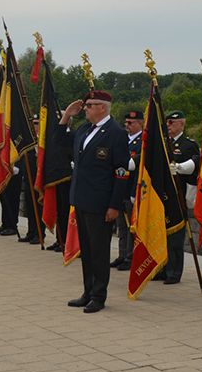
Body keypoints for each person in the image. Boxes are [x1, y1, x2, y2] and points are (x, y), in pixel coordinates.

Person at [56, 90, 130, 313]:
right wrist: (66, 116)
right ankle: (88, 292)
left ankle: (99, 296)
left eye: (89, 105)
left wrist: (114, 205)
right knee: (86, 251)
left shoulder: (115, 133)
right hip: (81, 199)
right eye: (85, 105)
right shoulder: (85, 130)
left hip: (101, 203)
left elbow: (121, 172)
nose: (85, 109)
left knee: (99, 251)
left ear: (102, 107)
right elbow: (60, 143)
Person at [157, 110, 199, 284]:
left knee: (175, 237)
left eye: (172, 123)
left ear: (182, 124)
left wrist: (181, 168)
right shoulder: (162, 143)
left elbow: (195, 169)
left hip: (178, 195)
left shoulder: (188, 145)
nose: (168, 126)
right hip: (162, 194)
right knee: (161, 234)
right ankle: (163, 268)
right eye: (167, 123)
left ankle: (174, 271)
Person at [112, 109, 143, 270]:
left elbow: (136, 167)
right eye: (126, 123)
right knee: (121, 226)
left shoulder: (143, 142)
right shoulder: (122, 139)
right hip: (120, 188)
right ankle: (122, 254)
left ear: (140, 123)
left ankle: (131, 257)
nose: (127, 126)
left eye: (131, 123)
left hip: (132, 189)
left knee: (132, 226)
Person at [19, 115, 44, 244]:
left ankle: (39, 234)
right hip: (28, 178)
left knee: (38, 207)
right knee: (29, 206)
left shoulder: (44, 140)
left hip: (40, 179)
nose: (34, 126)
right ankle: (31, 232)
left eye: (36, 123)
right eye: (32, 123)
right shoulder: (28, 141)